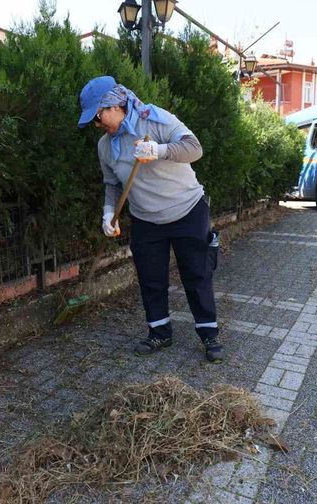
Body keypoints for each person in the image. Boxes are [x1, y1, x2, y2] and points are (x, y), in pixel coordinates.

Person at [77, 75, 223, 363]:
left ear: (116, 104)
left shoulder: (154, 119)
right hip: (145, 219)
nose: (97, 125)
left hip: (187, 210)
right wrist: (109, 213)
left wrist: (159, 150)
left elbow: (194, 148)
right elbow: (112, 184)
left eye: (98, 116)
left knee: (196, 274)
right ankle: (160, 333)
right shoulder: (105, 146)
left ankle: (209, 335)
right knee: (150, 278)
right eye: (92, 121)